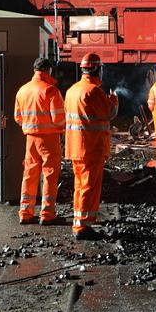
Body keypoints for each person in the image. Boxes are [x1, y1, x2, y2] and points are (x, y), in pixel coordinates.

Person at [65, 53, 119, 240]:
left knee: (80, 186)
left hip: (75, 147)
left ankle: (79, 221)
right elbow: (109, 113)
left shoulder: (72, 90)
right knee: (89, 186)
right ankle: (83, 227)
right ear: (97, 69)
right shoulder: (93, 91)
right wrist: (114, 100)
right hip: (91, 147)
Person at [14, 58, 66, 225]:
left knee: (29, 174)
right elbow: (59, 120)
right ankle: (47, 214)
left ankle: (25, 212)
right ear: (48, 70)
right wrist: (65, 130)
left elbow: (18, 118)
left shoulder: (22, 90)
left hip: (30, 139)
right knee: (50, 175)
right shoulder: (50, 90)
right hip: (49, 139)